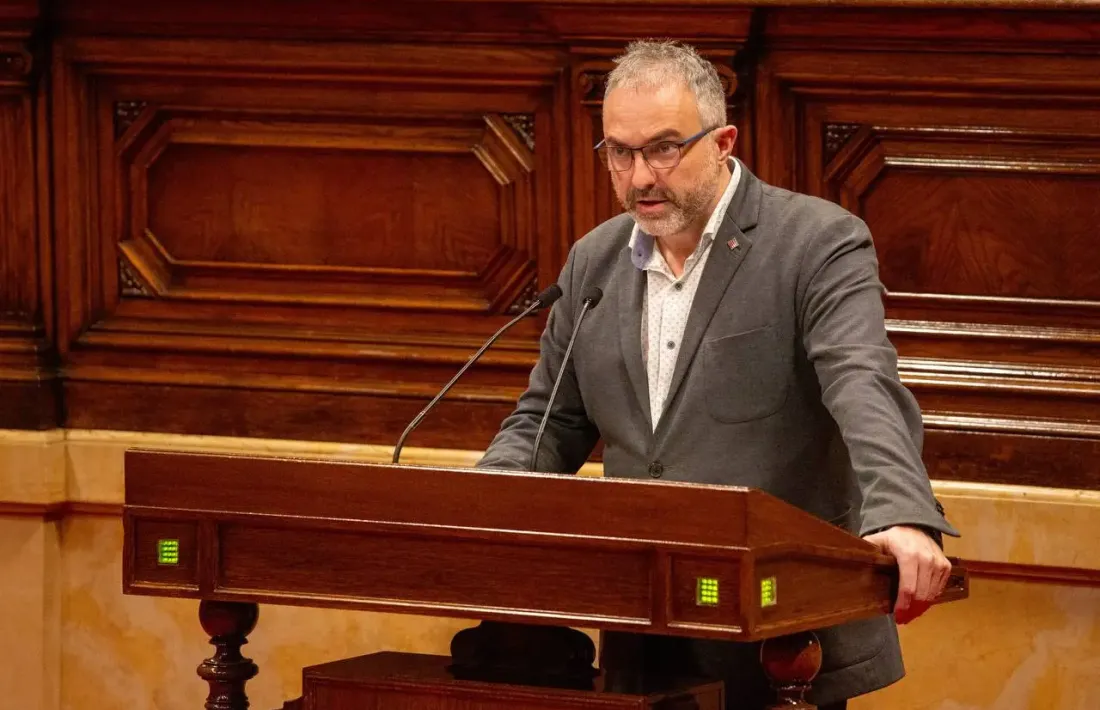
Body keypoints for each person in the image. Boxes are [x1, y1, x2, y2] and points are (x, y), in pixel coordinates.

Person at [477, 39, 958, 710]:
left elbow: (862, 383)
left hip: (780, 634)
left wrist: (903, 514)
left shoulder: (816, 242)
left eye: (665, 148)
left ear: (723, 140)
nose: (640, 176)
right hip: (644, 632)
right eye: (620, 152)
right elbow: (549, 419)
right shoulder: (594, 261)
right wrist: (482, 503)